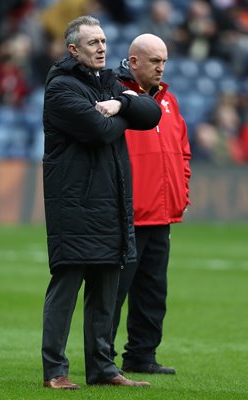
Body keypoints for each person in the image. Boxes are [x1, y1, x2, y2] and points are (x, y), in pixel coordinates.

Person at [41, 17, 161, 390]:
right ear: (74, 49)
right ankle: (55, 372)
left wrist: (119, 102)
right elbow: (99, 131)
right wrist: (125, 110)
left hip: (111, 203)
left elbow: (152, 112)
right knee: (65, 291)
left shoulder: (108, 82)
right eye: (93, 42)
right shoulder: (60, 89)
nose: (102, 48)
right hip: (75, 206)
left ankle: (103, 370)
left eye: (104, 40)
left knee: (106, 293)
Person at [110, 34, 192, 374]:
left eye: (164, 61)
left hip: (161, 216)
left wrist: (181, 192)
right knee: (112, 295)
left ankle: (142, 357)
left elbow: (183, 152)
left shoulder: (169, 101)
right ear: (133, 62)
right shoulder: (116, 99)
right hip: (126, 215)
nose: (161, 67)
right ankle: (102, 359)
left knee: (152, 294)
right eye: (155, 61)